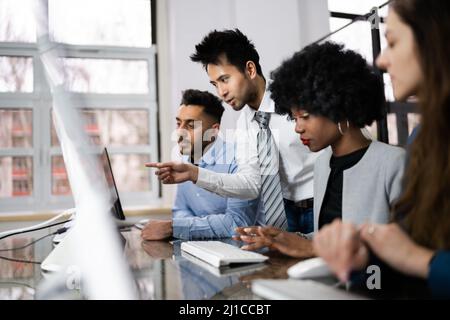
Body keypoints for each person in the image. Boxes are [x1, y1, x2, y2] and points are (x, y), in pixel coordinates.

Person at [313, 0, 450, 299]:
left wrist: (415, 259)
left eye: (393, 42)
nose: (381, 60)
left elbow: (414, 256)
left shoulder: (398, 157)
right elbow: (406, 254)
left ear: (435, 37)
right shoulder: (422, 139)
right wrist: (364, 261)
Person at [234, 42, 405, 257]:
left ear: (338, 106)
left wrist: (313, 247)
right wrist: (290, 239)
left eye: (305, 116)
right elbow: (328, 236)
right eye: (294, 118)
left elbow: (406, 246)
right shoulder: (323, 164)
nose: (297, 127)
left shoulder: (394, 163)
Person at [146, 29, 320, 234]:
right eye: (215, 84)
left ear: (250, 69)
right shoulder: (244, 123)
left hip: (320, 205)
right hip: (283, 214)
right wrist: (195, 174)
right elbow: (250, 184)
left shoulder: (298, 98)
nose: (221, 92)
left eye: (225, 79)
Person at [141, 89, 263, 240]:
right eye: (178, 123)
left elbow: (237, 224)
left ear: (213, 131)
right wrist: (195, 227)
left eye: (191, 126)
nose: (179, 132)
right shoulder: (185, 161)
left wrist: (173, 227)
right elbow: (180, 210)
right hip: (204, 247)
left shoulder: (239, 159)